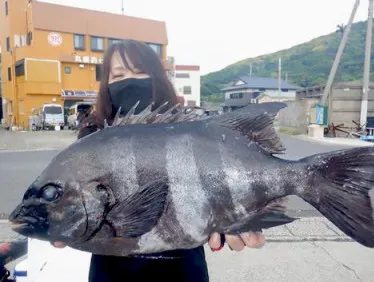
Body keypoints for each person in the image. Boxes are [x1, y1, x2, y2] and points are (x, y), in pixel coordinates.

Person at [52, 39, 266, 281]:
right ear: (107, 85)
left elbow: (219, 183)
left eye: (140, 71)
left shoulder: (188, 131)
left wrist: (235, 219)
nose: (130, 81)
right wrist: (57, 220)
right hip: (111, 271)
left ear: (158, 78)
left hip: (182, 269)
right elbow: (72, 199)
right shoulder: (92, 138)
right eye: (119, 74)